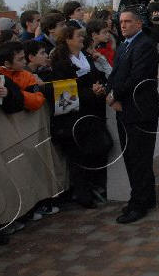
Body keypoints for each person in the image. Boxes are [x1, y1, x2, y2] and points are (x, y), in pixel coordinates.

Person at [106, 9, 159, 224]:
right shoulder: (123, 45)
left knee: (140, 159)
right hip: (125, 111)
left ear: (139, 24)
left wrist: (115, 96)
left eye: (128, 21)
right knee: (131, 158)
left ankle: (139, 204)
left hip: (140, 111)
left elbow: (137, 77)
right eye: (121, 21)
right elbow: (115, 74)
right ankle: (145, 198)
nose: (123, 25)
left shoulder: (145, 45)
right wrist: (109, 93)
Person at [47, 25, 109, 209]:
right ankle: (83, 194)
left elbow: (97, 77)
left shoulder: (87, 58)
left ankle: (94, 186)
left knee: (99, 148)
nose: (82, 38)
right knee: (78, 156)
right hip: (73, 116)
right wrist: (90, 92)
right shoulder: (61, 63)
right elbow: (64, 93)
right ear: (68, 39)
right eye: (78, 36)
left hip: (92, 112)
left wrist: (99, 87)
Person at [0, 41, 46, 112]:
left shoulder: (27, 76)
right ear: (7, 64)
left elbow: (38, 101)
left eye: (24, 57)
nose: (25, 61)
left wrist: (13, 94)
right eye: (20, 59)